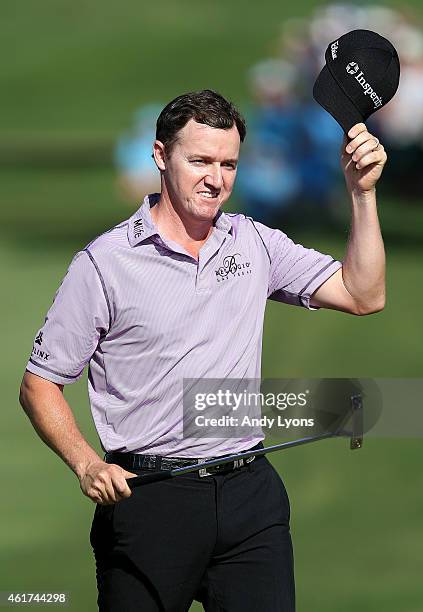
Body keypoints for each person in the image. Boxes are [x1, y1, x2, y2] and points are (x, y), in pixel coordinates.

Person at [19, 89, 386, 612]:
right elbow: (39, 383)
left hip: (249, 496)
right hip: (150, 498)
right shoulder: (103, 264)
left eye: (229, 163)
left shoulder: (254, 242)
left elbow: (364, 293)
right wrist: (84, 463)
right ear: (160, 155)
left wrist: (362, 194)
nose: (216, 178)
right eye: (200, 161)